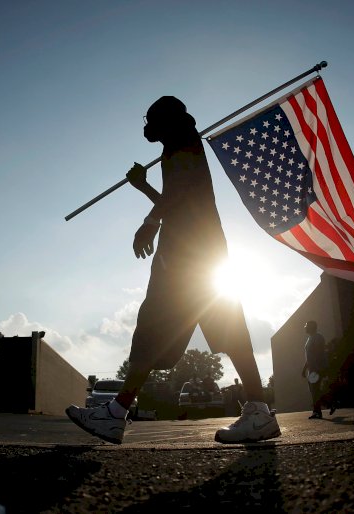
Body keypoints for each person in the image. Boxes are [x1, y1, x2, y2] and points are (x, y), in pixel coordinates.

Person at [66, 96, 280, 444]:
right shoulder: (180, 149)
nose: (145, 127)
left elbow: (177, 196)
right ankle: (257, 411)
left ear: (165, 122)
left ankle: (116, 413)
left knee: (163, 327)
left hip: (187, 255)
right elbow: (177, 199)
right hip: (199, 252)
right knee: (204, 330)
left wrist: (150, 222)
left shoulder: (181, 143)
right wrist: (145, 188)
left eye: (149, 120)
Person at [301, 320, 329, 419]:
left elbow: (319, 354)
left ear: (312, 327)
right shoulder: (310, 338)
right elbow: (309, 356)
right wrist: (305, 369)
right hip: (312, 369)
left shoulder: (318, 337)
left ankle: (318, 411)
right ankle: (329, 403)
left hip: (317, 368)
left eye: (306, 325)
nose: (305, 327)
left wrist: (318, 368)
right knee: (314, 390)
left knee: (315, 390)